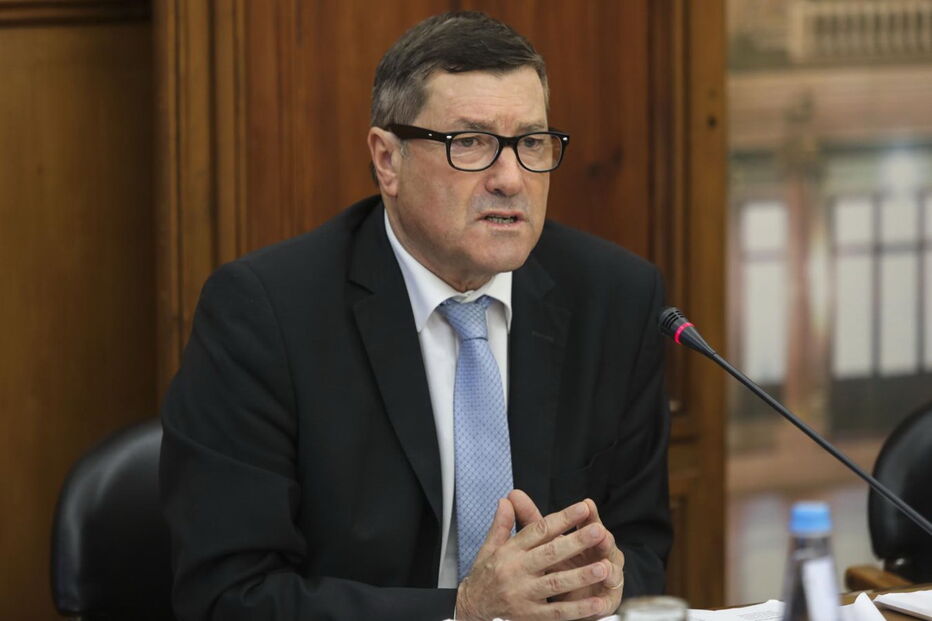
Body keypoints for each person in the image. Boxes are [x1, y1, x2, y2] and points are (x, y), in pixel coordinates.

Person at [160, 11, 672, 621]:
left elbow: (641, 550)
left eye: (532, 142)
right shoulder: (265, 315)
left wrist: (607, 578)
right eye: (472, 143)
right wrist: (460, 612)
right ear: (387, 161)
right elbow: (228, 597)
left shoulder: (614, 298)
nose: (510, 178)